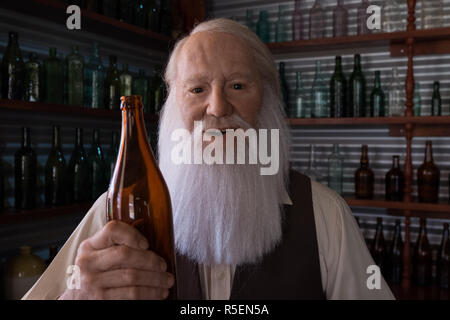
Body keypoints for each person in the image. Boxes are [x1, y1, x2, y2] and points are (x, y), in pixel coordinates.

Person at [23, 18, 394, 300]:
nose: (217, 107)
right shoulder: (117, 210)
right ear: (172, 105)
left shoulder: (324, 215)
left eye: (237, 86)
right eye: (197, 89)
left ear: (267, 100)